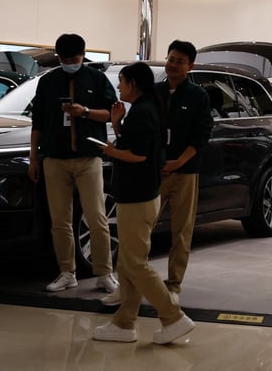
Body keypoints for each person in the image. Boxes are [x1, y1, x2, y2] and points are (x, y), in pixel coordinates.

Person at [92, 62, 196, 345]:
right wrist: (116, 124)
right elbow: (141, 146)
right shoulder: (146, 108)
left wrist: (112, 151)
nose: (118, 86)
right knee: (127, 263)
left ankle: (172, 316)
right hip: (141, 194)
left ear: (134, 84)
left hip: (137, 197)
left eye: (122, 81)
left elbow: (138, 155)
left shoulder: (143, 112)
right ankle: (124, 323)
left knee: (135, 263)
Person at [28, 33, 119, 294]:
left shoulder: (97, 79)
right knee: (60, 220)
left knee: (96, 217)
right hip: (54, 159)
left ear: (84, 55)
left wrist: (86, 112)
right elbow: (38, 122)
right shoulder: (48, 82)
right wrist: (34, 158)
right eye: (65, 59)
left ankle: (105, 273)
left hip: (88, 158)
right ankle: (67, 272)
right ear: (58, 57)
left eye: (74, 58)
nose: (69, 62)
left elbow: (112, 115)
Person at [156, 40, 213, 301]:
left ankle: (173, 285)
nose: (173, 64)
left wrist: (178, 162)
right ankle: (131, 281)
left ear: (190, 66)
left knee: (181, 231)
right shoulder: (153, 92)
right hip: (154, 171)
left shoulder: (198, 96)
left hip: (185, 171)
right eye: (171, 59)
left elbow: (201, 137)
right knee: (140, 229)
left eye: (179, 61)